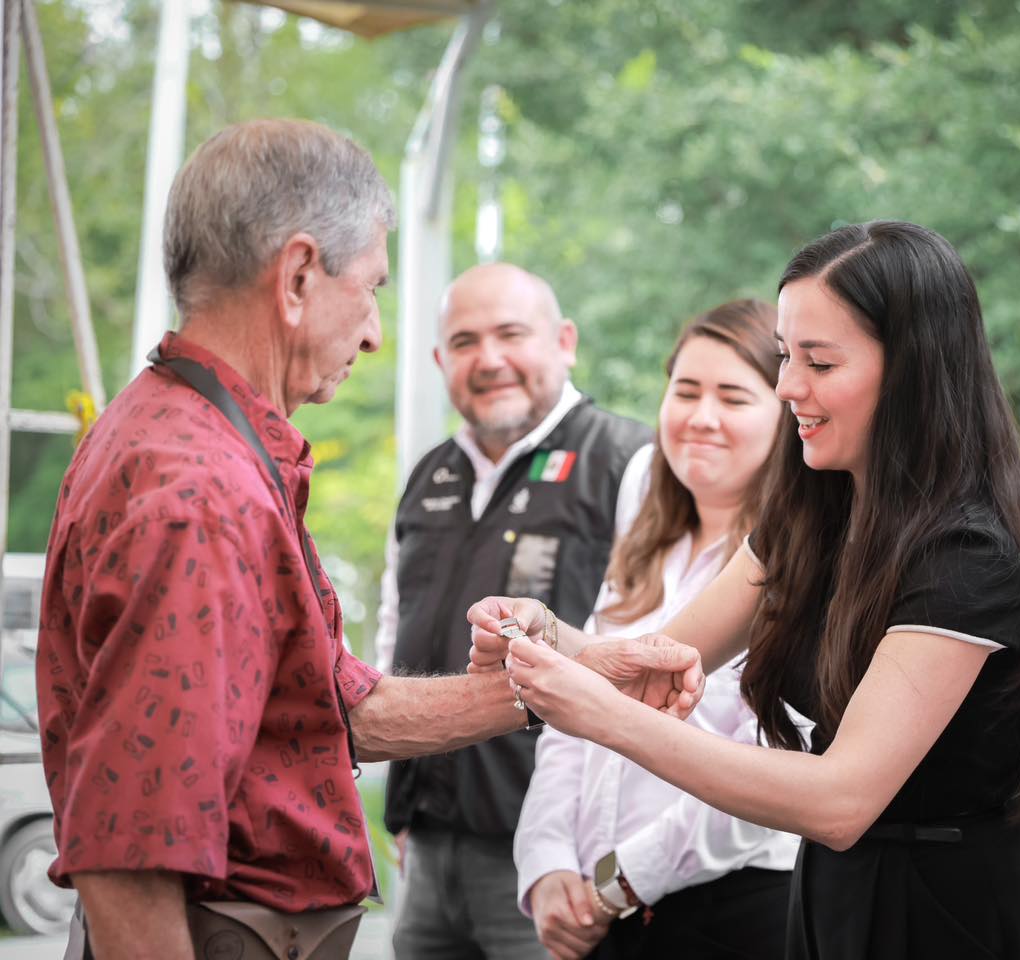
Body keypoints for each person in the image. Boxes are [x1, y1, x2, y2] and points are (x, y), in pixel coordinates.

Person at [35, 119, 701, 960]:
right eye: (374, 287)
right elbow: (128, 844)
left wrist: (580, 672)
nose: (377, 333)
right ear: (299, 277)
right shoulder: (199, 492)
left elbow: (338, 703)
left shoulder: (193, 439)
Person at [475, 220, 1020, 960]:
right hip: (832, 897)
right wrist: (545, 634)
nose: (787, 387)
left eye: (820, 363)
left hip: (946, 912)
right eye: (784, 357)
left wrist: (605, 718)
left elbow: (839, 799)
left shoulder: (969, 556)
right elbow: (654, 656)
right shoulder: (815, 517)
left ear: (914, 370)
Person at [375, 262, 653, 960]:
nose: (489, 359)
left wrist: (599, 859)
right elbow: (392, 628)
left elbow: (652, 657)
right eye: (465, 342)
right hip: (428, 845)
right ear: (441, 361)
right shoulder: (428, 473)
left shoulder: (628, 462)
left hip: (555, 858)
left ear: (564, 340)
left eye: (511, 334)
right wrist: (401, 801)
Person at [514, 299, 799, 960]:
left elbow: (773, 765)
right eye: (686, 391)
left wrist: (620, 881)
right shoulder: (645, 537)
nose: (701, 417)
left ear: (785, 416)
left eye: (733, 397)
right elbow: (574, 713)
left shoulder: (797, 559)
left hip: (731, 912)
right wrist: (549, 862)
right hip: (601, 912)